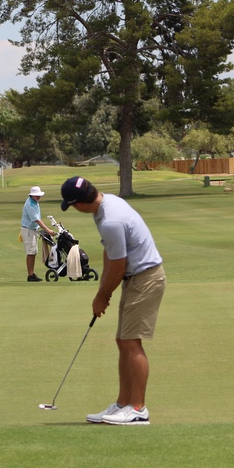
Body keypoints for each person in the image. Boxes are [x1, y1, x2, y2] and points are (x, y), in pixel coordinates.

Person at [60, 176, 166, 425]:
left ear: (79, 204)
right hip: (136, 278)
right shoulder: (106, 204)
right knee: (123, 341)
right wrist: (102, 292)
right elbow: (111, 253)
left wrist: (102, 297)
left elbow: (118, 266)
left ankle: (138, 409)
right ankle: (122, 405)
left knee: (131, 342)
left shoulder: (110, 221)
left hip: (145, 278)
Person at [21, 186, 55, 282]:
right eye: (36, 195)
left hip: (32, 229)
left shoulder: (34, 201)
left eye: (39, 195)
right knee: (31, 252)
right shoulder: (30, 205)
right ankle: (30, 275)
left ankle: (32, 274)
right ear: (31, 195)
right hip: (28, 230)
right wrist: (48, 230)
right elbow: (37, 220)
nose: (38, 197)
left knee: (33, 252)